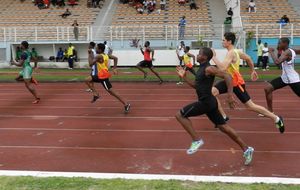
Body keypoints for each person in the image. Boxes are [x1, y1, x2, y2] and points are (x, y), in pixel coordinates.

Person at [175, 47, 254, 166]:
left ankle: (197, 140)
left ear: (205, 57)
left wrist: (230, 95)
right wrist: (184, 76)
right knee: (224, 127)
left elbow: (228, 76)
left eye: (200, 54)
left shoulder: (209, 68)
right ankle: (247, 149)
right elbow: (197, 86)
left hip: (206, 103)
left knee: (180, 115)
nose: (197, 55)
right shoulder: (201, 68)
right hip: (210, 103)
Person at [211, 32, 285, 133]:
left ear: (229, 41)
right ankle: (223, 117)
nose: (222, 42)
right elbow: (249, 59)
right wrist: (252, 70)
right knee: (211, 93)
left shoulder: (232, 52)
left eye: (223, 40)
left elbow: (223, 67)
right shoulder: (236, 52)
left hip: (236, 83)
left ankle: (276, 118)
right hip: (228, 81)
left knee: (250, 106)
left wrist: (213, 56)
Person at [87, 43, 131, 113]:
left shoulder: (99, 56)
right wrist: (114, 68)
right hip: (100, 75)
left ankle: (126, 103)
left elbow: (90, 64)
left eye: (97, 48)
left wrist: (89, 54)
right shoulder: (106, 55)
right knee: (87, 80)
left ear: (100, 49)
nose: (95, 49)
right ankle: (95, 94)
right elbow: (115, 58)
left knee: (111, 92)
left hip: (103, 76)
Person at [264, 37, 300, 113]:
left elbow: (277, 62)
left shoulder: (287, 52)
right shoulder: (291, 50)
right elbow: (298, 51)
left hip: (293, 79)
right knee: (268, 88)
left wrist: (271, 52)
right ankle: (270, 111)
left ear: (285, 44)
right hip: (284, 78)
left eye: (279, 43)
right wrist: (278, 48)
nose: (278, 44)